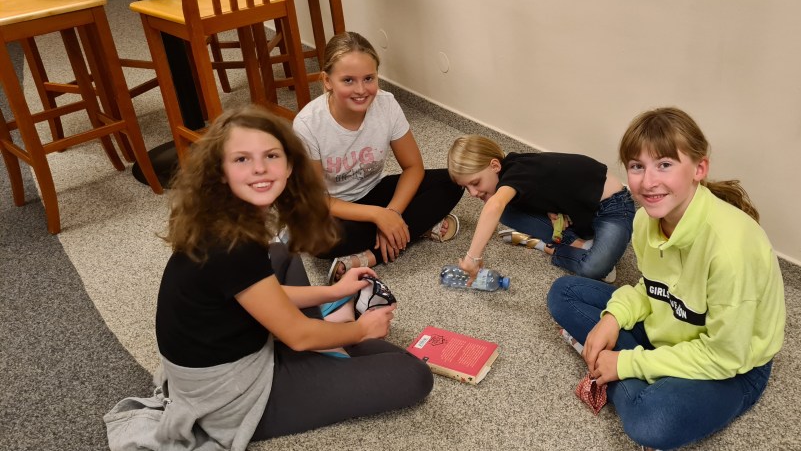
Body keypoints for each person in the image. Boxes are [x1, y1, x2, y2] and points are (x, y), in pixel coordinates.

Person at [104, 106, 432, 450]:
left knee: (280, 254)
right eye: (242, 159)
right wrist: (362, 329)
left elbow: (263, 292)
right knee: (411, 374)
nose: (259, 168)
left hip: (222, 363)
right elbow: (299, 336)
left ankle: (332, 327)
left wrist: (332, 291)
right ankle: (333, 331)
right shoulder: (233, 246)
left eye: (271, 156)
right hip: (232, 395)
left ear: (289, 165)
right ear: (220, 171)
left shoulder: (227, 220)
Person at [547, 107, 785, 450]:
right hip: (670, 326)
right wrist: (614, 317)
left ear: (699, 168)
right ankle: (624, 365)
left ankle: (612, 364)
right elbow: (652, 288)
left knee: (650, 421)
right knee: (563, 292)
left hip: (732, 366)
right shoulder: (645, 221)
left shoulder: (731, 251)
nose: (648, 181)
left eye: (664, 164)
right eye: (636, 166)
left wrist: (627, 363)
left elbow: (724, 357)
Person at [293, 31, 463, 282]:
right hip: (332, 208)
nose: (361, 90)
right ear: (327, 81)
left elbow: (413, 167)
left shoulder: (387, 104)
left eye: (369, 78)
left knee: (454, 180)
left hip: (374, 192)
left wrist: (392, 212)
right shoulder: (307, 125)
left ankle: (370, 256)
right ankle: (415, 227)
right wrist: (378, 216)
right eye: (348, 80)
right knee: (318, 240)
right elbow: (317, 200)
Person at [447, 134, 635, 283]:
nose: (473, 193)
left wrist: (472, 257)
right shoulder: (512, 179)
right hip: (578, 214)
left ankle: (548, 247)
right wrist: (552, 208)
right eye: (466, 188)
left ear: (495, 165)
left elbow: (495, 205)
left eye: (475, 183)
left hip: (614, 207)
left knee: (596, 269)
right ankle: (577, 244)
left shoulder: (517, 170)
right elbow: (547, 187)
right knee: (505, 211)